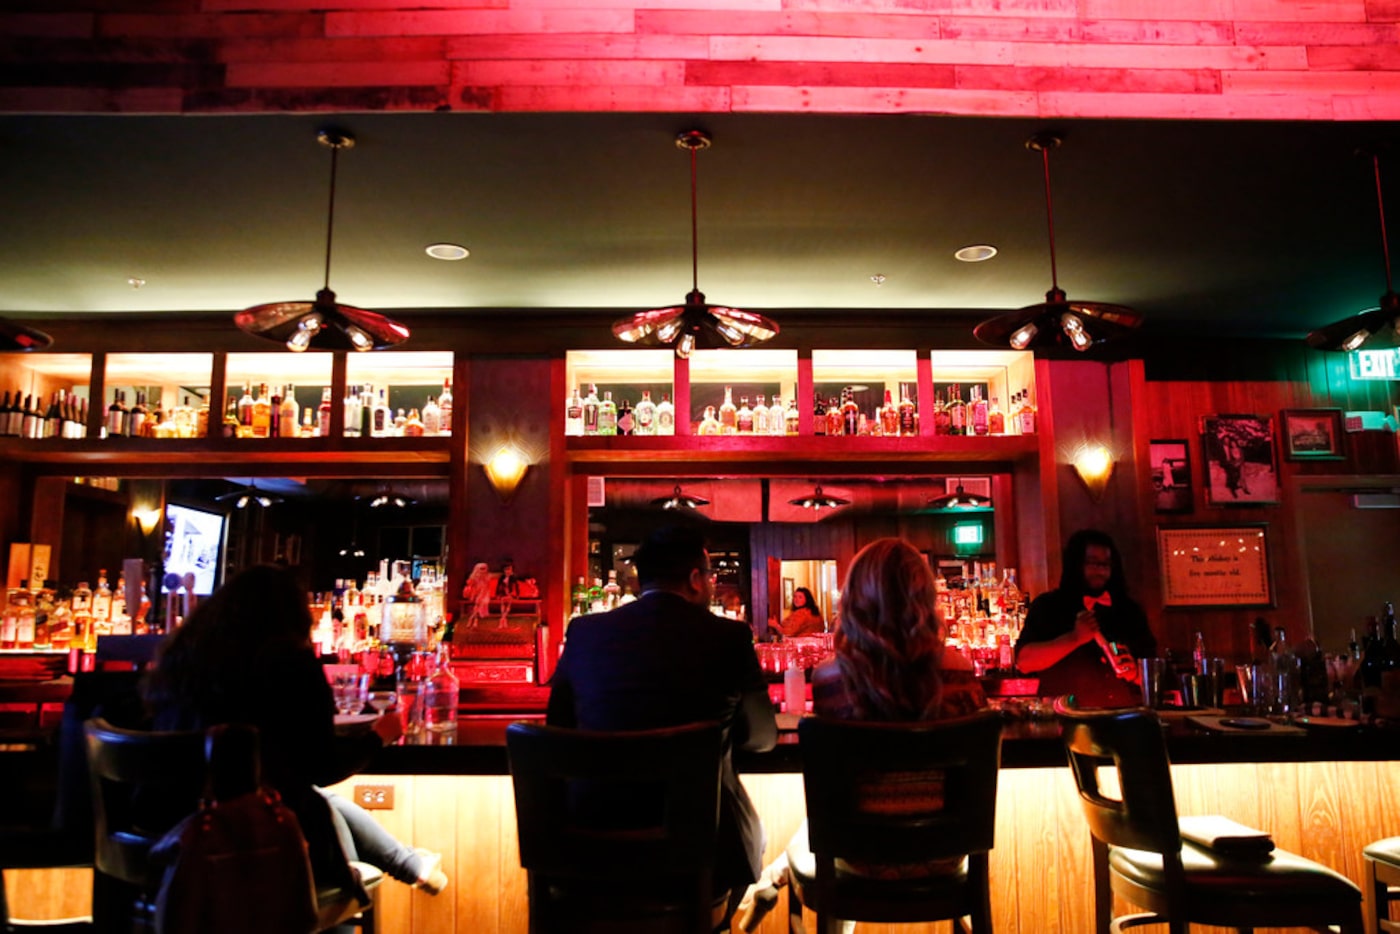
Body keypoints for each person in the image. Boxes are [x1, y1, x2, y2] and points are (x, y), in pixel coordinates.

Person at [142, 565, 449, 903]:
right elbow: (322, 766)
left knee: (308, 798)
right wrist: (378, 736)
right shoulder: (290, 663)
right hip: (261, 847)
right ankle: (393, 871)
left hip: (170, 841)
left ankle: (408, 863)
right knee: (313, 805)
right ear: (294, 615)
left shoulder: (180, 663)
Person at [737, 538, 987, 932]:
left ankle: (774, 877)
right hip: (946, 854)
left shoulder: (829, 677)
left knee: (827, 825)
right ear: (927, 596)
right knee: (829, 826)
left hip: (858, 856)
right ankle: (775, 875)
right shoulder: (959, 669)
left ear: (853, 599)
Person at [546, 525, 777, 927]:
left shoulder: (584, 633)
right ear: (694, 578)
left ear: (641, 578)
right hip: (699, 860)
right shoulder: (729, 637)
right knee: (751, 843)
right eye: (709, 578)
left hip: (589, 853)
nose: (711, 586)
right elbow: (762, 739)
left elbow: (558, 729)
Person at [1013, 528, 1157, 707]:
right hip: (1064, 719)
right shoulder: (1048, 606)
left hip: (1121, 718)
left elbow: (1154, 674)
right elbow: (1024, 662)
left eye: (1106, 564)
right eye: (1093, 563)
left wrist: (1135, 674)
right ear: (1076, 565)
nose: (1100, 571)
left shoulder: (1129, 610)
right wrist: (1074, 638)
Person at [461, 561, 492, 628]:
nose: (483, 571)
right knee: (477, 604)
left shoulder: (487, 577)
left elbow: (487, 588)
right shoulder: (474, 576)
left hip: (485, 593)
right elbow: (470, 585)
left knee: (479, 603)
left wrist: (481, 595)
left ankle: (472, 619)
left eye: (484, 569)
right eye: (481, 569)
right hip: (475, 593)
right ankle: (475, 620)